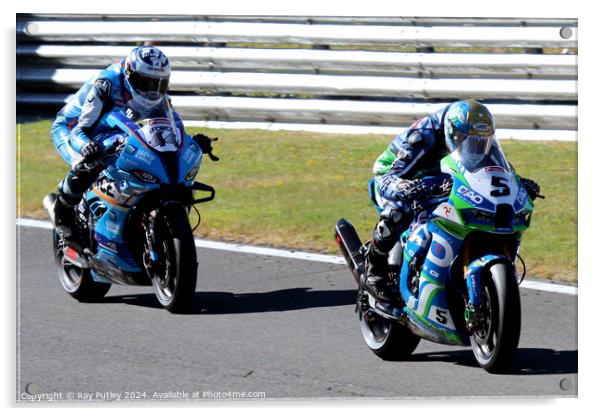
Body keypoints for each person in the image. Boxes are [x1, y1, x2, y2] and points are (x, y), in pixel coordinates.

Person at [363, 99, 541, 302]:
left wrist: (517, 185)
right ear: (452, 133)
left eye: (480, 142)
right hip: (397, 174)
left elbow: (497, 172)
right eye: (468, 142)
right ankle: (374, 270)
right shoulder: (421, 137)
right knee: (398, 209)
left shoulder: (478, 140)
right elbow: (389, 177)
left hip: (441, 176)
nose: (475, 148)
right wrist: (406, 187)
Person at [46, 45, 217, 239]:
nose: (151, 91)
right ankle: (63, 214)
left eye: (158, 84)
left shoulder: (159, 98)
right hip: (73, 129)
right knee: (88, 165)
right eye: (144, 82)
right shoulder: (107, 84)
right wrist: (86, 146)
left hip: (115, 129)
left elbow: (167, 131)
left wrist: (189, 142)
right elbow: (80, 129)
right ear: (129, 74)